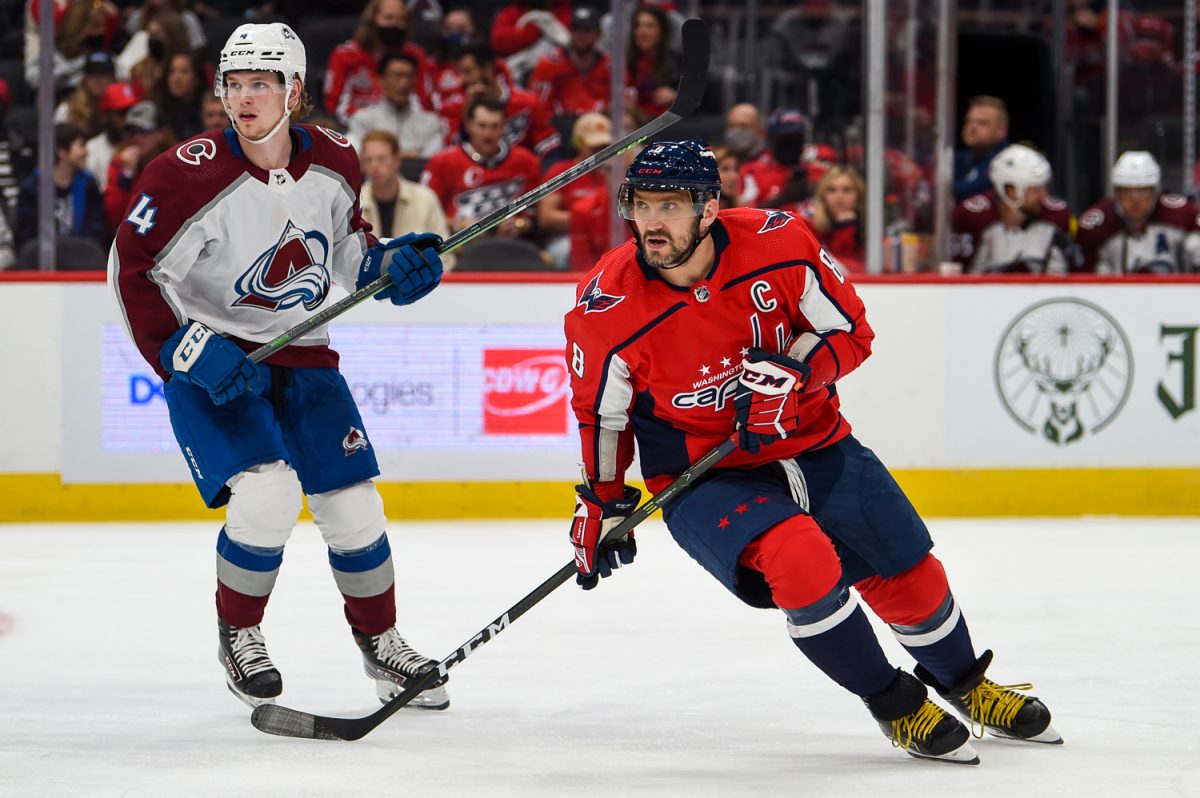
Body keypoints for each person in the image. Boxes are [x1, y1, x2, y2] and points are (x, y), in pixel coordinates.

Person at [563, 140, 1061, 764]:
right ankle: (893, 704)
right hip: (705, 477)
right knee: (800, 560)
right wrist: (602, 501)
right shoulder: (603, 306)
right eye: (640, 204)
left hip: (816, 441)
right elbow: (601, 417)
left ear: (711, 208)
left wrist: (799, 375)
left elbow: (853, 331)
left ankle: (968, 685)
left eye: (672, 204)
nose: (652, 222)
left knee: (910, 573)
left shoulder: (780, 244)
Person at [107, 22, 449, 712]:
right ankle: (241, 634)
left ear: (295, 91)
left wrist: (388, 266)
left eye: (260, 83)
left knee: (355, 507)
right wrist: (186, 349)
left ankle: (382, 647)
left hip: (304, 353)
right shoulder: (181, 175)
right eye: (233, 84)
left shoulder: (336, 159)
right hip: (218, 364)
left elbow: (348, 249)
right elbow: (130, 269)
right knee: (265, 496)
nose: (243, 98)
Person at [951, 143, 1078, 274]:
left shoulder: (1058, 215)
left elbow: (1067, 276)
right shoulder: (970, 215)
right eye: (1035, 189)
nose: (1044, 196)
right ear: (1010, 191)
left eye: (1045, 187)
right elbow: (959, 274)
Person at [422, 96, 540, 236]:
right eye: (482, 126)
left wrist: (520, 224)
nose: (487, 134)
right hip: (460, 245)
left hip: (512, 244)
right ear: (468, 125)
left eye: (495, 126)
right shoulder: (442, 162)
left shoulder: (526, 161)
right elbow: (425, 213)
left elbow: (534, 216)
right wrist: (458, 225)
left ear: (504, 126)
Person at [1076, 151, 1200, 274]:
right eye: (1127, 192)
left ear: (1155, 192)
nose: (1135, 201)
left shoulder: (1183, 216)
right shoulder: (1096, 225)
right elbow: (1082, 277)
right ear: (1116, 193)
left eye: (1143, 192)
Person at [359, 129, 453, 269]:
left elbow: (445, 256)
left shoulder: (425, 199)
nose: (374, 165)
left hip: (419, 284)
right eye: (369, 160)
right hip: (367, 287)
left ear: (397, 160)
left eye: (381, 159)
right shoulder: (353, 203)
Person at [324, 0, 428, 125]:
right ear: (372, 19)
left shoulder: (413, 54)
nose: (396, 25)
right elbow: (333, 105)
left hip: (404, 126)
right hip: (355, 126)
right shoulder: (345, 54)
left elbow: (423, 101)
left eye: (402, 20)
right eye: (389, 18)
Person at [15, 123, 107, 249]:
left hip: (82, 259)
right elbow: (27, 234)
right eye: (81, 146)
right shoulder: (32, 187)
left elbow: (96, 228)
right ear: (61, 151)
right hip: (44, 260)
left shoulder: (88, 184)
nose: (86, 152)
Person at [537, 111, 611, 269]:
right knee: (565, 251)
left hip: (606, 236)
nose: (601, 153)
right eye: (595, 147)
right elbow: (547, 217)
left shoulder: (615, 173)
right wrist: (591, 219)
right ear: (579, 142)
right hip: (568, 237)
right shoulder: (561, 171)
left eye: (606, 147)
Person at [347, 51, 445, 157]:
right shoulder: (363, 119)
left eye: (409, 76)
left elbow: (432, 160)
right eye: (397, 76)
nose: (404, 83)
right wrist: (416, 153)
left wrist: (381, 156)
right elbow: (359, 159)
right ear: (381, 80)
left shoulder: (430, 122)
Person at [528, 7, 612, 117]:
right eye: (576, 28)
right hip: (559, 127)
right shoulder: (548, 64)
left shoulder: (612, 67)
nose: (580, 34)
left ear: (598, 33)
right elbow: (537, 106)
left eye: (587, 30)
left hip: (601, 126)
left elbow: (627, 108)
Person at [739, 106, 809, 209]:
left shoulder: (817, 171)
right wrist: (783, 198)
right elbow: (742, 216)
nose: (791, 145)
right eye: (785, 140)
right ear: (771, 138)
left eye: (796, 139)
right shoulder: (751, 172)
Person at [804, 165, 865, 273]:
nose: (839, 196)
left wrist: (846, 227)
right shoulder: (811, 229)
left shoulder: (870, 230)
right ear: (823, 195)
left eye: (847, 190)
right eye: (831, 190)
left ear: (859, 195)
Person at [626, 5, 678, 119]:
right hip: (633, 124)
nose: (642, 32)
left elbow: (700, 98)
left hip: (665, 124)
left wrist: (676, 96)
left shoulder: (678, 62)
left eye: (649, 26)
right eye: (638, 26)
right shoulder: (624, 62)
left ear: (662, 31)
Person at [953, 96, 1008, 203]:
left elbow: (970, 190)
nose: (972, 127)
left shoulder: (1007, 162)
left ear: (1001, 131)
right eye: (968, 121)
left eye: (982, 123)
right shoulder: (958, 159)